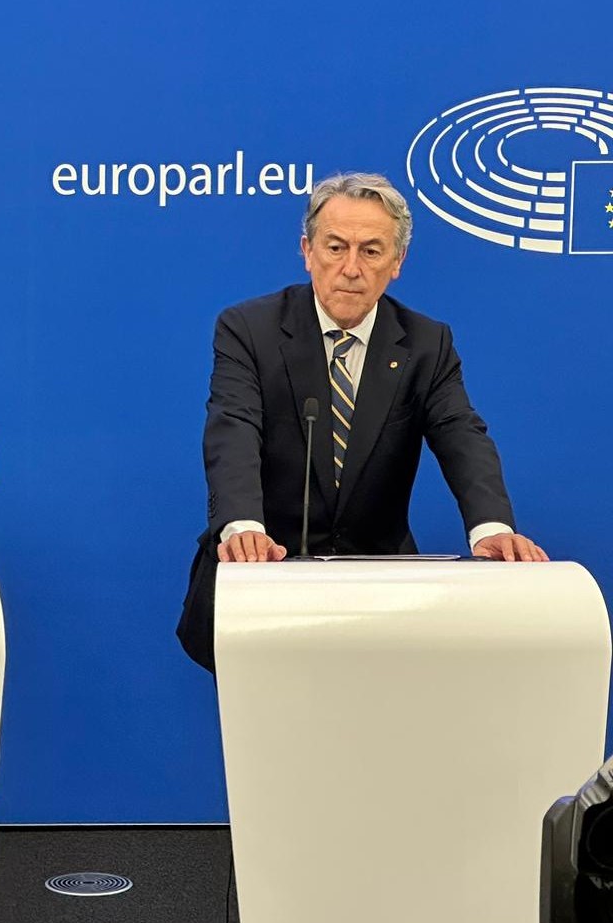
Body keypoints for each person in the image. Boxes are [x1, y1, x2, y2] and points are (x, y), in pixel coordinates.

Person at [176, 172, 545, 673]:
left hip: (379, 594)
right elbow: (234, 427)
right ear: (307, 251)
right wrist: (243, 527)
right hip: (265, 579)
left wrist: (490, 528)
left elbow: (461, 433)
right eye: (335, 247)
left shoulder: (425, 344)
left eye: (371, 252)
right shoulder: (249, 329)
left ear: (397, 264)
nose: (351, 268)